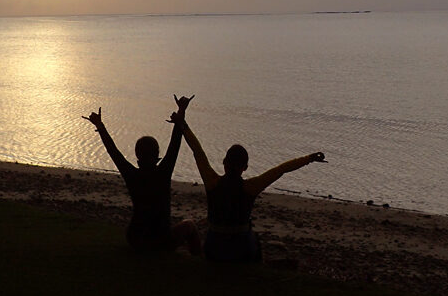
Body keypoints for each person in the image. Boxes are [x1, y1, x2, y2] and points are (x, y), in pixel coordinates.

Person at [180, 115, 325, 262]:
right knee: (254, 239)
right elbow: (282, 169)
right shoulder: (251, 187)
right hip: (241, 251)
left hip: (214, 249)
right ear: (245, 167)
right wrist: (309, 158)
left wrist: (183, 125)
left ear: (224, 162)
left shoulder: (212, 181)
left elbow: (197, 151)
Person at [82, 96, 200, 253]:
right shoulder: (163, 172)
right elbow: (174, 145)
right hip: (161, 240)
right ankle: (197, 256)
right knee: (189, 225)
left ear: (137, 155)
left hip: (135, 238)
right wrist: (181, 111)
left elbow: (113, 151)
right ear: (157, 154)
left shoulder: (132, 174)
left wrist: (100, 126)